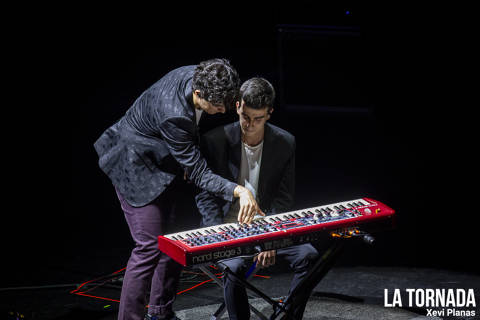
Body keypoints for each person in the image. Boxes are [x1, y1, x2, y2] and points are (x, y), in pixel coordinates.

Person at [93, 58, 264, 320]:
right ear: (198, 94)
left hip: (161, 159)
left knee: (175, 239)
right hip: (133, 165)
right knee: (148, 246)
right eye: (216, 106)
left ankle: (160, 312)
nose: (220, 111)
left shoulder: (200, 74)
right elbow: (197, 172)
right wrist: (239, 191)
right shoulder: (175, 114)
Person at [195, 77, 319, 320]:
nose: (249, 125)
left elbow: (283, 198)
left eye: (258, 119)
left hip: (267, 226)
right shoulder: (214, 140)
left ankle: (288, 316)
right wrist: (218, 236)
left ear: (270, 113)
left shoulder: (285, 142)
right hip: (226, 229)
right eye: (245, 117)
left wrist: (270, 238)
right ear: (238, 106)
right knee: (233, 267)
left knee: (310, 255)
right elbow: (206, 197)